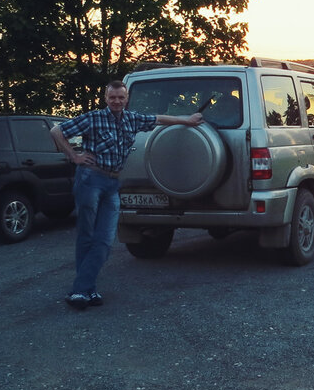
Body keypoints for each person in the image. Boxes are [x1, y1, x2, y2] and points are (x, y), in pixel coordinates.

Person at [50, 80, 203, 310]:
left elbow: (159, 118)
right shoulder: (94, 118)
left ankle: (83, 289)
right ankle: (84, 291)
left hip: (112, 183)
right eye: (112, 97)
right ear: (106, 98)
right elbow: (56, 130)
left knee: (103, 240)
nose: (117, 101)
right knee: (87, 235)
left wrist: (188, 121)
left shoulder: (132, 119)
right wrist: (74, 156)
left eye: (121, 97)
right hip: (90, 179)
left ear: (127, 98)